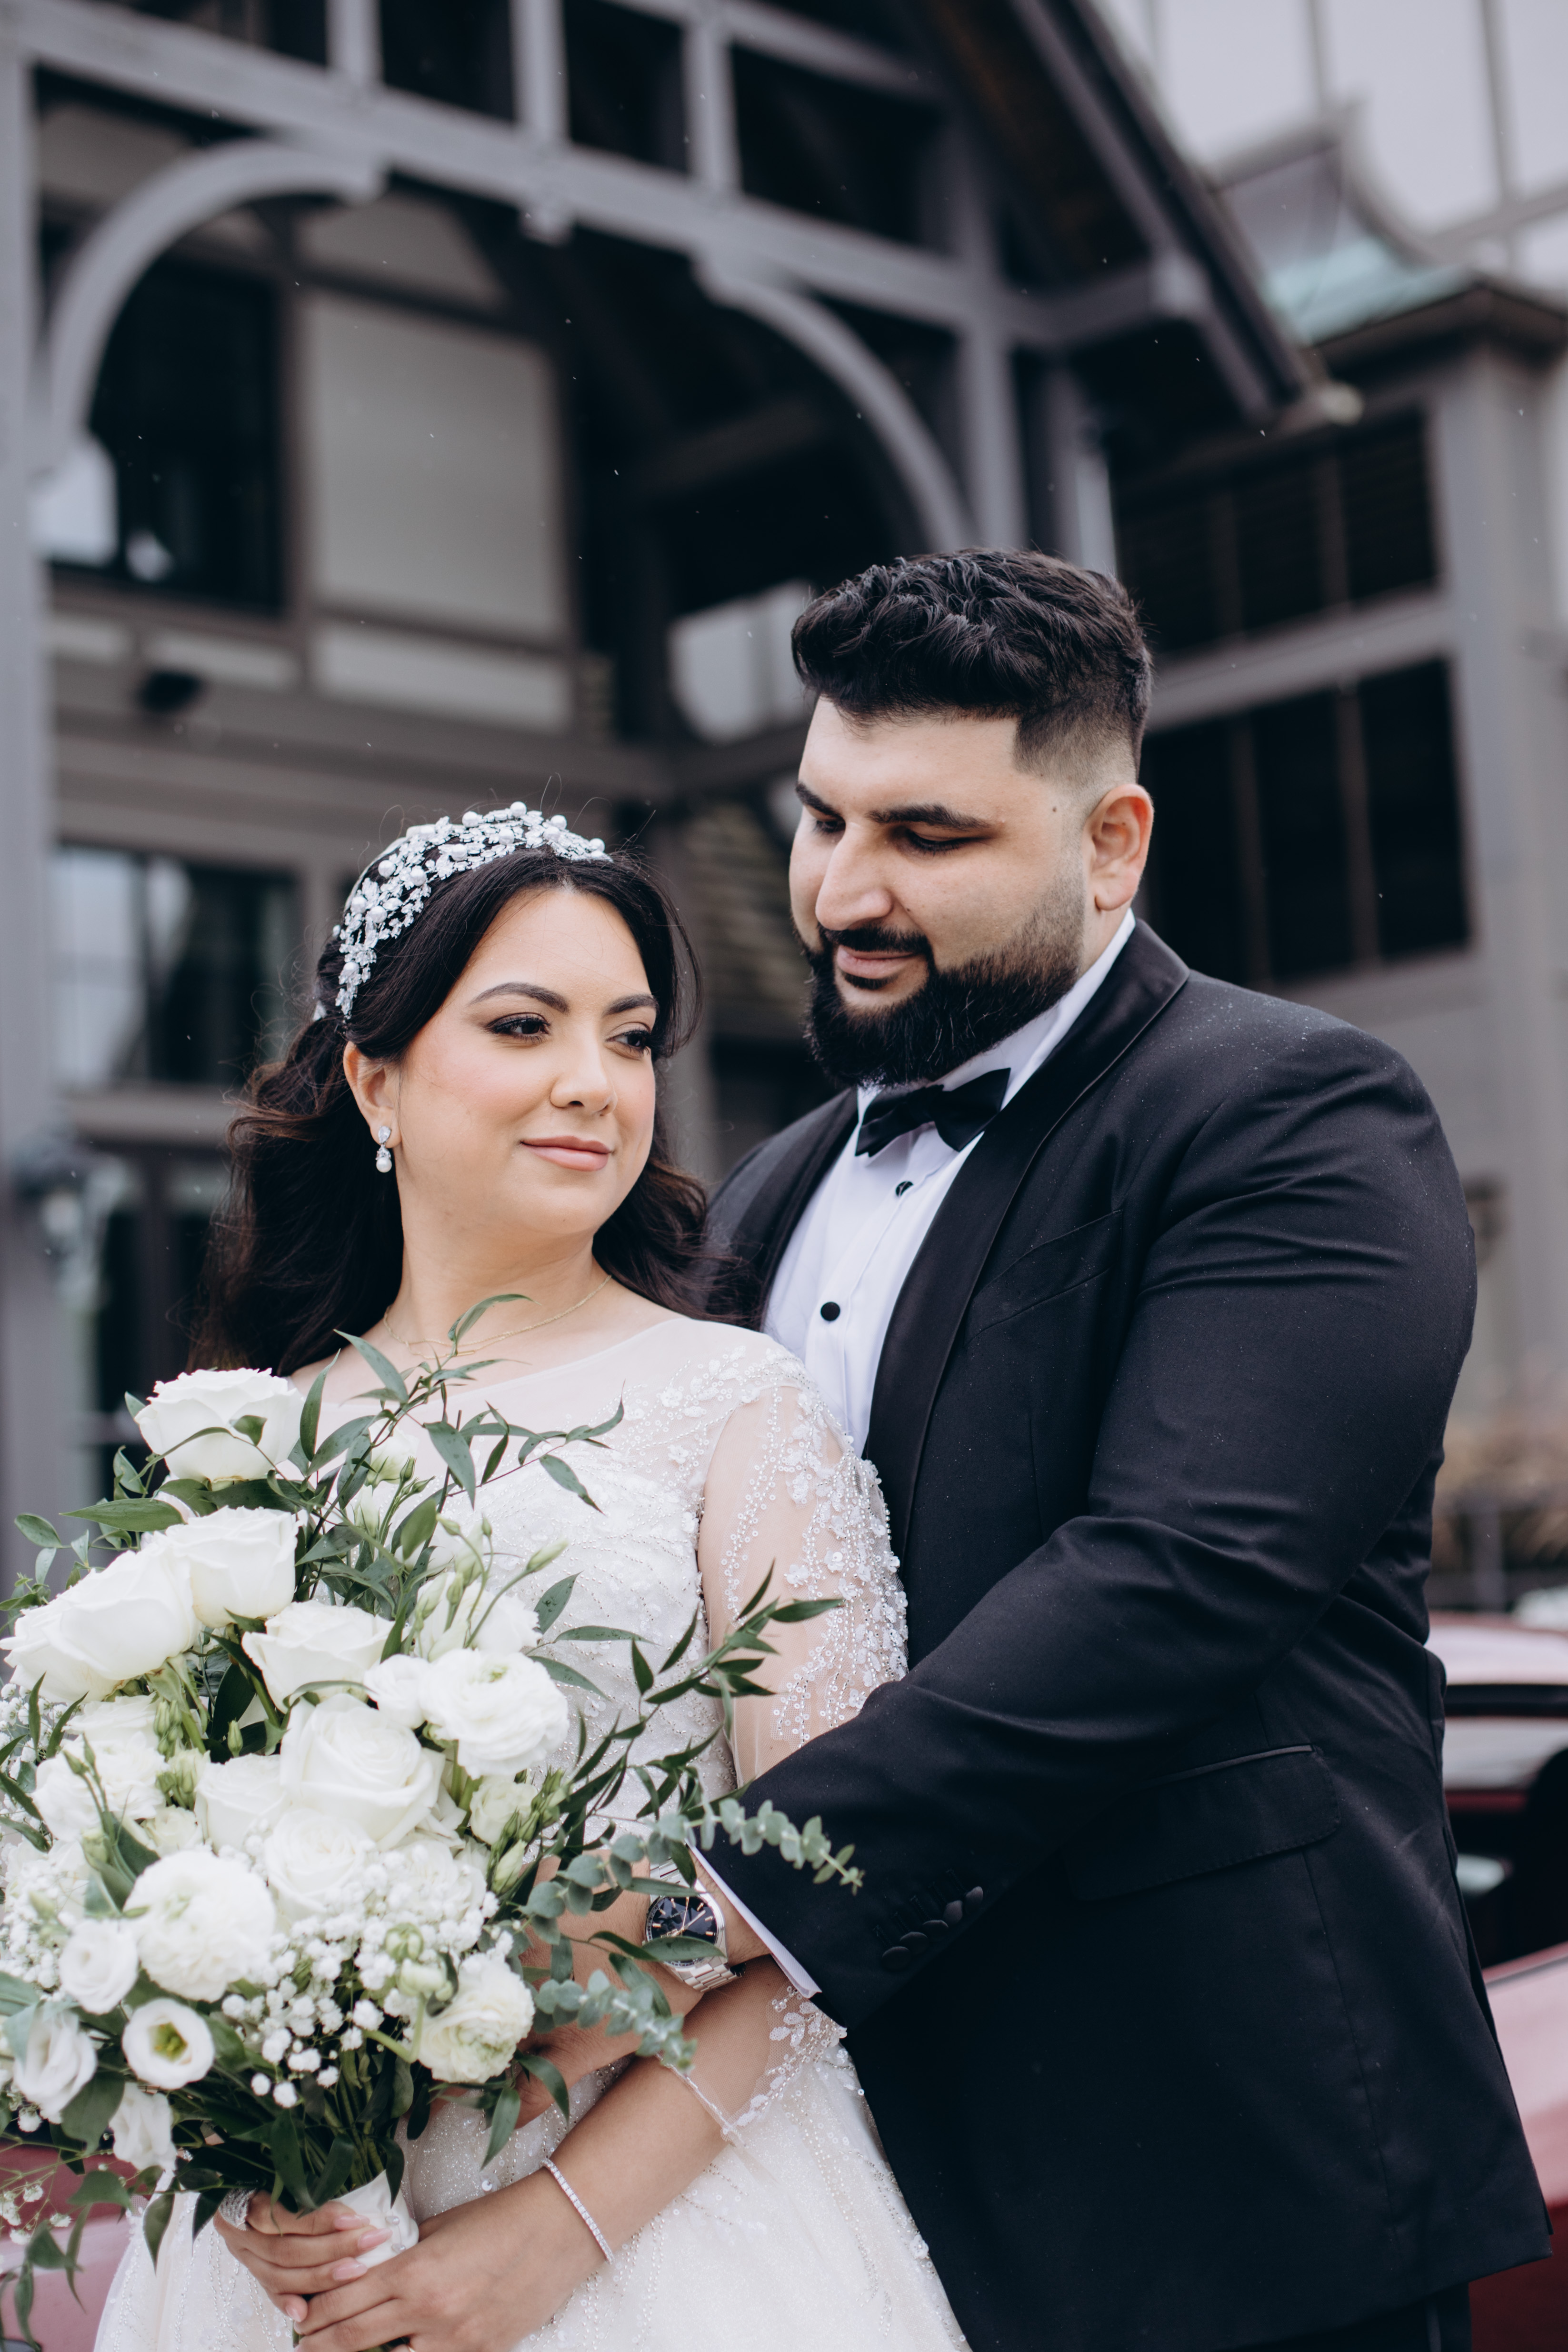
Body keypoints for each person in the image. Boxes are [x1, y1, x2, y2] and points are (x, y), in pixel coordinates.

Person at [688, 551, 1548, 2352]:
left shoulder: (1295, 1113)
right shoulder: (770, 1187)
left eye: (927, 834)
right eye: (824, 818)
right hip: (837, 2203)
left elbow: (1175, 1576)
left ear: (1112, 844)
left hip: (1221, 2178)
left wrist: (715, 1891)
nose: (844, 889)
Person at [94, 812, 966, 2352]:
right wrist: (249, 2166)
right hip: (308, 2253)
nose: (593, 1081)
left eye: (628, 1038)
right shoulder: (251, 1444)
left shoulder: (736, 1406)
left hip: (672, 2235)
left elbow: (834, 1883)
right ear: (376, 1080)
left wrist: (559, 2225)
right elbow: (157, 1890)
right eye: (524, 1026)